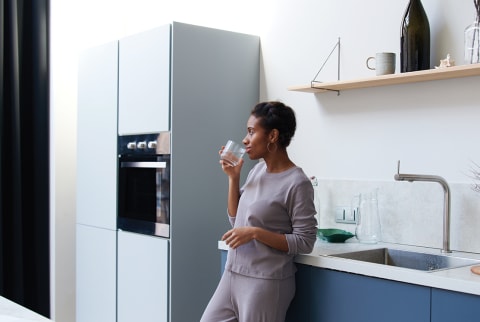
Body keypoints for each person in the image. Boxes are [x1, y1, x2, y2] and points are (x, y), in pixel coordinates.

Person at [200, 101, 318, 322]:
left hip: (265, 282)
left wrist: (256, 233)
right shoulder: (257, 171)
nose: (245, 139)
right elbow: (237, 220)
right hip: (233, 272)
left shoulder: (297, 183)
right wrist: (233, 179)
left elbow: (305, 241)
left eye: (252, 132)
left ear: (272, 136)